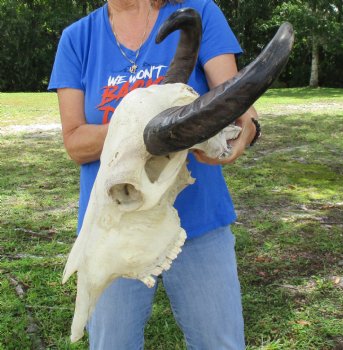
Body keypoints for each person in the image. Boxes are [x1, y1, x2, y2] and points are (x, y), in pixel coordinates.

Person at [49, 0, 259, 348]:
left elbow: (237, 102)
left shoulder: (201, 12)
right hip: (112, 229)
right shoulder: (77, 39)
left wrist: (248, 126)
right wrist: (141, 126)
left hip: (199, 222)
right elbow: (75, 142)